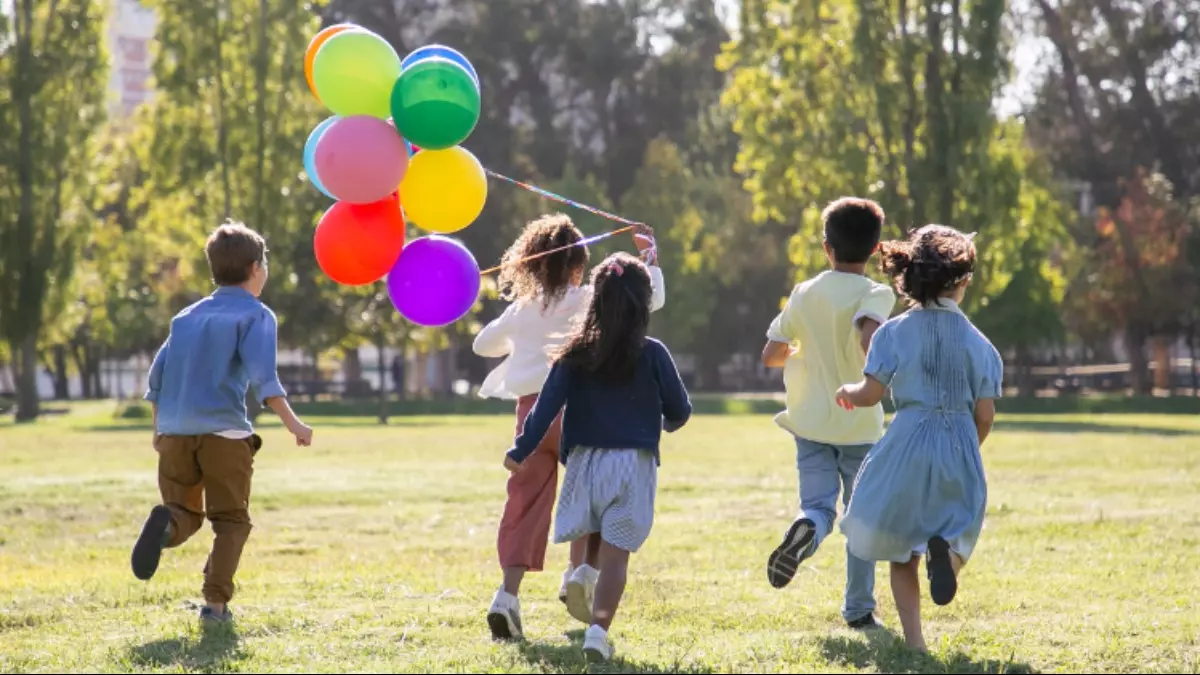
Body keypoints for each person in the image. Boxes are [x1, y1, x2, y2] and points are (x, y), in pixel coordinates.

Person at [474, 214, 664, 641]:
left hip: (530, 419)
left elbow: (481, 345)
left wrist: (520, 331)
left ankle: (507, 596)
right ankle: (578, 574)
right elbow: (648, 301)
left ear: (531, 266)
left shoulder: (522, 309)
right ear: (579, 265)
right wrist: (649, 258)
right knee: (595, 496)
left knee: (523, 506)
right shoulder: (587, 301)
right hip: (579, 414)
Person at [503, 252, 690, 662]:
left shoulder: (574, 353)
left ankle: (582, 574)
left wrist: (521, 449)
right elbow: (680, 409)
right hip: (633, 464)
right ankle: (597, 632)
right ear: (643, 304)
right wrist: (667, 422)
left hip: (585, 462)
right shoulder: (654, 352)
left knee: (592, 527)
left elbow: (545, 408)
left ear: (596, 301)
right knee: (617, 557)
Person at [131, 221, 313, 624]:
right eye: (264, 263)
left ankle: (166, 527)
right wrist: (295, 424)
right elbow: (264, 379)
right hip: (224, 434)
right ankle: (214, 606)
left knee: (184, 513)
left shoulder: (186, 317)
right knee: (230, 521)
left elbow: (156, 378)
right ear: (255, 268)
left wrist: (158, 431)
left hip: (175, 432)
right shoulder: (255, 315)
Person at [836, 224, 1002, 652]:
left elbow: (871, 394)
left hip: (906, 442)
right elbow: (985, 413)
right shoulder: (981, 345)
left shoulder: (892, 332)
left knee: (900, 548)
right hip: (959, 441)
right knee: (961, 526)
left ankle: (915, 644)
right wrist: (968, 447)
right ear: (963, 280)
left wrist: (848, 392)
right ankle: (947, 559)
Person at [760, 197, 895, 629]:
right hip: (858, 423)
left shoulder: (804, 292)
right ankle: (858, 609)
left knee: (817, 506)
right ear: (875, 250)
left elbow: (771, 354)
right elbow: (868, 337)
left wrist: (806, 353)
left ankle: (806, 529)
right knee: (862, 519)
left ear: (826, 247)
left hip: (810, 422)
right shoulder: (877, 292)